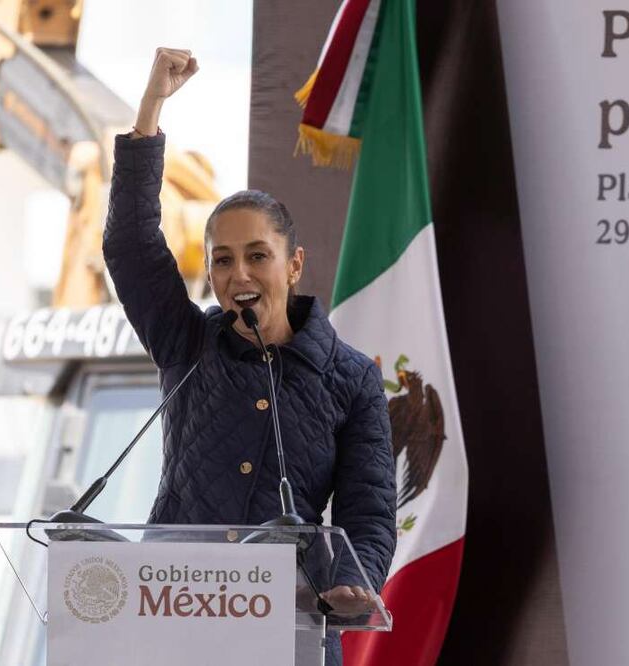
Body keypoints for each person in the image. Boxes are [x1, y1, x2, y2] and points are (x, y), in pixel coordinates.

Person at [102, 47, 396, 664]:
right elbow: (131, 245)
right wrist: (151, 109)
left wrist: (353, 579)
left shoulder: (350, 379)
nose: (240, 273)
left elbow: (368, 515)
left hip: (290, 637)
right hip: (173, 625)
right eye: (223, 259)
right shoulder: (186, 343)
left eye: (257, 255)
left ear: (293, 265)